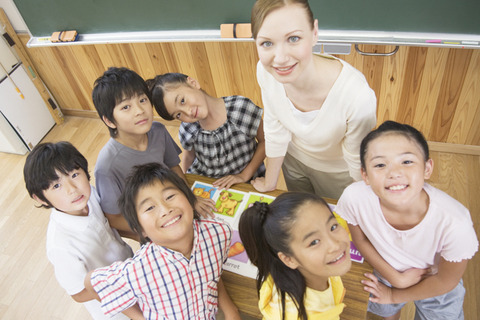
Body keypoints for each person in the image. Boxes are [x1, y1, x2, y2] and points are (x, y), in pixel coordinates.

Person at [336, 120, 478, 320]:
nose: (394, 173)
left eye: (407, 161)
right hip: (385, 272)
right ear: (365, 175)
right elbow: (360, 241)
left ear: (427, 168)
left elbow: (446, 281)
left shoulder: (456, 223)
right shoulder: (354, 198)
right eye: (380, 164)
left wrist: (395, 294)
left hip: (435, 281)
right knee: (381, 312)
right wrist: (396, 281)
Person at [250, 0, 377, 199]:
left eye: (293, 38)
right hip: (293, 162)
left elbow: (355, 160)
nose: (280, 58)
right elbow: (275, 126)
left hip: (336, 174)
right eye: (267, 43)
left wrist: (359, 204)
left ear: (314, 32)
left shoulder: (356, 96)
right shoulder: (265, 72)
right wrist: (270, 181)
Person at [83, 163, 234, 319]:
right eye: (149, 208)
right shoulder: (139, 270)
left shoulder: (219, 233)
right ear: (141, 229)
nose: (165, 209)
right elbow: (91, 283)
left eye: (169, 197)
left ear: (190, 199)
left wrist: (230, 311)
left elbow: (212, 272)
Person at [92, 67, 215, 240]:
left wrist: (191, 198)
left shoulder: (158, 131)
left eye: (142, 100)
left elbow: (174, 167)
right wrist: (152, 228)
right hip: (150, 227)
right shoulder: (107, 166)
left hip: (173, 206)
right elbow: (113, 219)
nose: (140, 110)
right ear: (109, 121)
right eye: (126, 106)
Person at [23, 141, 135, 320]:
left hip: (133, 272)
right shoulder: (59, 245)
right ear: (40, 198)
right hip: (117, 309)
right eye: (56, 186)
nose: (72, 189)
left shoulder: (88, 195)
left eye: (74, 174)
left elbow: (110, 224)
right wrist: (114, 287)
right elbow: (78, 293)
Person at [238, 192, 352, 319]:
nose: (335, 245)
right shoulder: (301, 314)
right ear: (289, 259)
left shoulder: (317, 269)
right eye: (314, 242)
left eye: (333, 227)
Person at [147, 72, 266, 190]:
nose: (188, 112)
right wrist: (186, 184)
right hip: (209, 185)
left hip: (248, 180)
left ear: (193, 83)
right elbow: (189, 157)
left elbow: (265, 141)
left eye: (182, 100)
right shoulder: (188, 128)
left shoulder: (241, 108)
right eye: (178, 114)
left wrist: (243, 176)